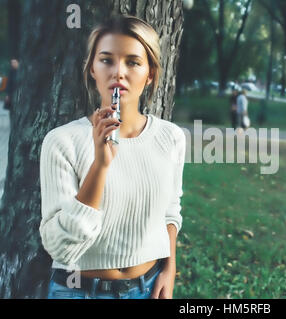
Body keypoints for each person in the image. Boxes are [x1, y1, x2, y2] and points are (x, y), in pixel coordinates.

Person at [40, 15, 185, 299]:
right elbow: (60, 247)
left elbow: (170, 211)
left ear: (151, 73)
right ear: (92, 69)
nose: (119, 72)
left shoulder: (171, 137)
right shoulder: (61, 142)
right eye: (106, 60)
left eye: (133, 62)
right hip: (78, 291)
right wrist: (100, 165)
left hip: (148, 287)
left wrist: (169, 270)